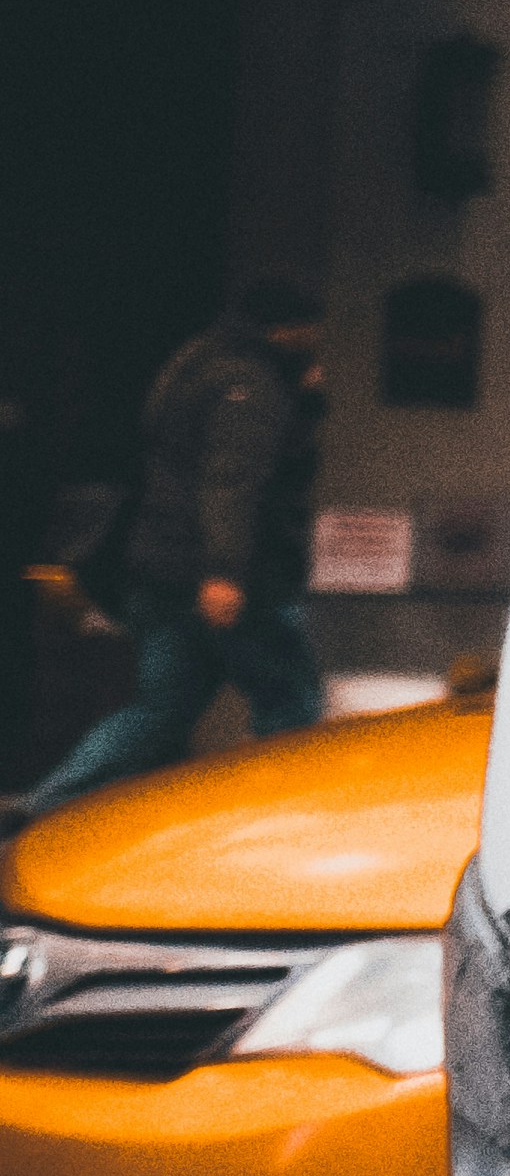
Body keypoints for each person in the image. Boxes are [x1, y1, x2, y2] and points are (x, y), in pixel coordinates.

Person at [30, 283, 328, 808]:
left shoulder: (198, 362)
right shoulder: (249, 384)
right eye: (313, 324)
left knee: (162, 707)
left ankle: (50, 804)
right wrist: (224, 573)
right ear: (287, 328)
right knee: (290, 701)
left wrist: (301, 396)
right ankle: (290, 810)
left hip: (162, 570)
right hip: (235, 578)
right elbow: (231, 480)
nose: (320, 336)